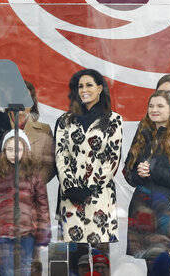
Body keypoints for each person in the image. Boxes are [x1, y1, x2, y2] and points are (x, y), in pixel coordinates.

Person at [122, 91, 170, 272]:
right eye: (151, 106)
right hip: (143, 210)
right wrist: (138, 172)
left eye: (160, 106)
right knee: (151, 266)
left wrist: (154, 169)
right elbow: (128, 172)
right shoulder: (142, 135)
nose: (154, 110)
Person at [53, 69, 123, 254]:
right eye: (80, 86)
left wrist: (89, 187)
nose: (84, 89)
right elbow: (61, 155)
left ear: (100, 88)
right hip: (71, 198)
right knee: (76, 258)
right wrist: (71, 187)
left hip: (99, 196)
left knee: (100, 257)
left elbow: (112, 157)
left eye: (89, 85)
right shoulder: (64, 120)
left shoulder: (113, 120)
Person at [0, 132, 50, 276]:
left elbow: (42, 204)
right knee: (7, 271)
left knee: (24, 269)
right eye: (9, 149)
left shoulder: (34, 174)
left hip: (27, 231)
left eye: (17, 149)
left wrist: (43, 230)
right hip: (4, 231)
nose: (13, 153)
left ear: (25, 150)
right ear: (4, 151)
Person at [12, 81, 55, 184]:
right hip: (0, 194)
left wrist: (34, 185)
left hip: (31, 196)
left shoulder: (45, 130)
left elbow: (50, 165)